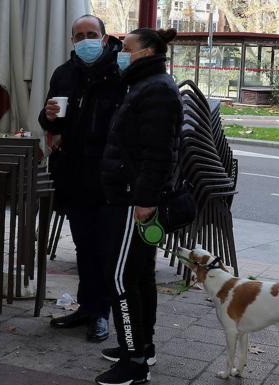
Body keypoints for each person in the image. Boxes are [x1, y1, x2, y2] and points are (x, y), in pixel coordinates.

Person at [96, 28, 182, 385]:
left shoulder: (156, 89)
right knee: (139, 274)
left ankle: (134, 360)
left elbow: (157, 153)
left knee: (121, 278)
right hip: (133, 196)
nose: (119, 53)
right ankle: (140, 346)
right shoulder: (147, 85)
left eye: (125, 48)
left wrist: (144, 200)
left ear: (146, 52)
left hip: (135, 200)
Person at [38, 15, 125, 343]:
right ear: (72, 41)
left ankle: (101, 313)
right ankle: (87, 307)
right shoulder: (64, 74)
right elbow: (50, 118)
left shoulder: (119, 72)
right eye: (79, 36)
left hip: (107, 176)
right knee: (83, 245)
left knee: (102, 248)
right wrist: (47, 119)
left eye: (91, 34)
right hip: (73, 173)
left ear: (104, 38)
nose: (85, 40)